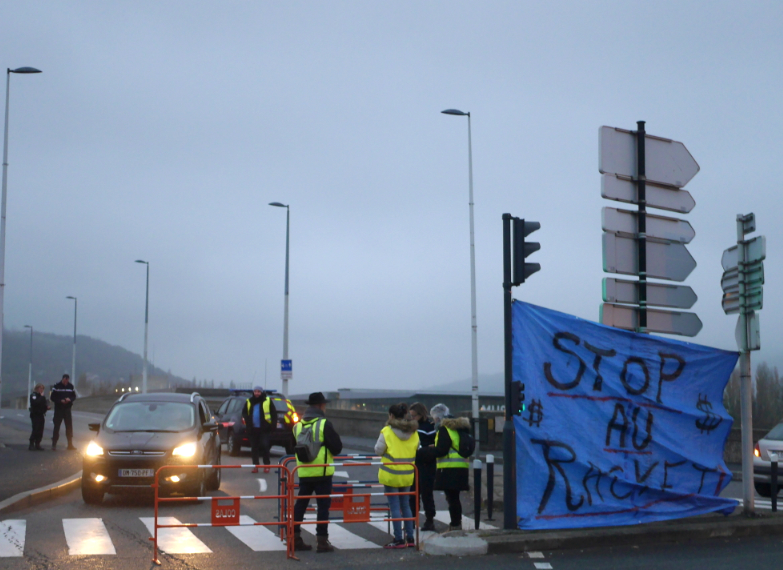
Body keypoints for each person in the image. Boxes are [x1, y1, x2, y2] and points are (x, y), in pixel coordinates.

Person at [291, 392, 342, 553]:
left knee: (300, 505)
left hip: (304, 472)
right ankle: (322, 541)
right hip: (322, 472)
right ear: (320, 406)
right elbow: (337, 447)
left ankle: (295, 537)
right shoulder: (324, 424)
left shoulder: (298, 425)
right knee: (322, 507)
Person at [375, 402, 419, 548]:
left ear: (391, 416)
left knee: (394, 507)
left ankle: (399, 539)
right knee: (406, 505)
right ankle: (410, 538)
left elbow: (378, 450)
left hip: (391, 474)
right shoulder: (414, 432)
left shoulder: (387, 431)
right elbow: (417, 449)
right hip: (407, 474)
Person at [429, 403, 469, 531]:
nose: (433, 420)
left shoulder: (444, 429)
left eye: (434, 418)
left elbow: (442, 450)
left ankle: (455, 524)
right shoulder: (458, 427)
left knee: (452, 499)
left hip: (449, 467)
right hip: (461, 466)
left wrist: (426, 451)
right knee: (454, 497)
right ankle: (457, 523)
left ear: (439, 417)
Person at [408, 402, 437, 531]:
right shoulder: (411, 427)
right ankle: (413, 520)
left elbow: (434, 445)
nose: (412, 418)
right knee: (413, 494)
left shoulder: (429, 427)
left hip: (427, 464)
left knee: (426, 494)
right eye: (411, 415)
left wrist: (425, 449)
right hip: (415, 464)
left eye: (414, 415)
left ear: (421, 414)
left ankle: (429, 520)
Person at [242, 386, 277, 473]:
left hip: (264, 429)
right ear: (253, 392)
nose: (257, 393)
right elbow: (244, 412)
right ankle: (255, 466)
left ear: (261, 392)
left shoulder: (267, 401)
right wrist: (247, 419)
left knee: (265, 447)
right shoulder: (249, 401)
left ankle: (266, 465)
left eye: (258, 392)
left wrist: (272, 426)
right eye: (255, 391)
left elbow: (274, 414)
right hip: (253, 429)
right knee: (254, 448)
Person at [51, 374, 77, 451]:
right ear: (62, 379)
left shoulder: (70, 386)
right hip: (59, 409)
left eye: (67, 381)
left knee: (69, 427)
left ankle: (70, 444)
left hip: (67, 409)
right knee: (57, 426)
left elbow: (74, 396)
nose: (66, 382)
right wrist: (60, 401)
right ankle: (54, 444)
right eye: (65, 381)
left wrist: (70, 399)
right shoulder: (57, 386)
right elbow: (52, 397)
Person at [29, 383, 50, 451]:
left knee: (40, 430)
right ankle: (31, 443)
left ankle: (38, 443)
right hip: (35, 415)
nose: (41, 390)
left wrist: (47, 407)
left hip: (41, 414)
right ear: (37, 388)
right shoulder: (34, 395)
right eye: (40, 388)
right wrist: (41, 397)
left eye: (42, 388)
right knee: (35, 429)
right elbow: (35, 403)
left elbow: (44, 404)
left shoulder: (42, 397)